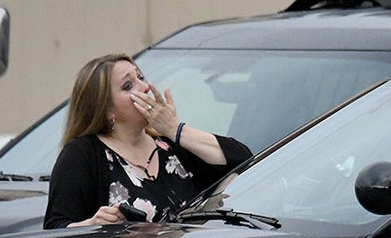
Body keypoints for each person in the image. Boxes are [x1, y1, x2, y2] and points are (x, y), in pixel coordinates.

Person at [44, 53, 252, 228]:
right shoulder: (83, 154)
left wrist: (175, 129)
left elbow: (244, 162)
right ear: (106, 110)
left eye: (140, 77)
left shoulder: (169, 146)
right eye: (128, 86)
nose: (144, 87)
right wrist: (91, 226)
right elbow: (56, 229)